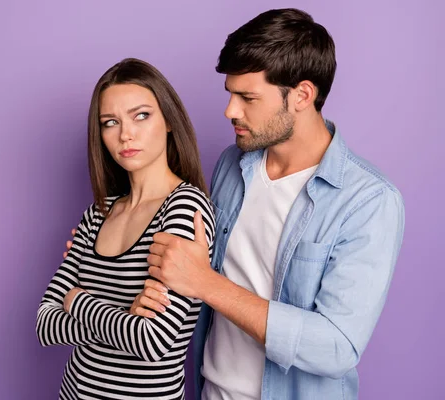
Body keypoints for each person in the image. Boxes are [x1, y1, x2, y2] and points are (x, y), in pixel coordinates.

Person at [123, 8, 405, 400]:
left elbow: (337, 346)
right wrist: (107, 246)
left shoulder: (368, 201)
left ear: (303, 95)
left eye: (248, 97)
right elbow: (189, 256)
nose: (230, 111)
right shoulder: (232, 163)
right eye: (230, 94)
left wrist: (207, 284)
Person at [37, 58, 215, 399]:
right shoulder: (98, 213)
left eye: (141, 115)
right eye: (110, 122)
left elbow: (152, 341)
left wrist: (78, 301)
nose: (125, 134)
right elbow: (45, 325)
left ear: (168, 121)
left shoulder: (183, 207)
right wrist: (123, 316)